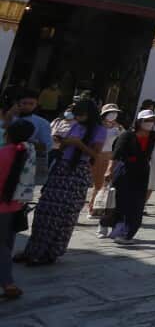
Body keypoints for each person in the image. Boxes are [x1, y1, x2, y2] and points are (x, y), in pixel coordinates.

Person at [16, 98, 106, 265]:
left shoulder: (99, 130)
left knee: (63, 215)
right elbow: (62, 146)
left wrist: (78, 144)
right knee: (44, 211)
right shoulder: (75, 125)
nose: (77, 117)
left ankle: (49, 253)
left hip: (78, 171)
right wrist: (62, 142)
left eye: (81, 115)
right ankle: (32, 250)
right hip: (61, 168)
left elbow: (95, 155)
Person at [100, 109, 155, 243]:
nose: (151, 123)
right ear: (139, 122)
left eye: (153, 120)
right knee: (120, 203)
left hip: (142, 173)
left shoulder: (153, 136)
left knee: (137, 204)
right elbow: (116, 154)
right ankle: (106, 224)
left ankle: (126, 234)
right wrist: (109, 170)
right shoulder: (127, 135)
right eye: (148, 120)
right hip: (125, 172)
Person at [0, 120, 35, 300]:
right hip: (16, 206)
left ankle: (8, 283)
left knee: (2, 247)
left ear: (8, 134)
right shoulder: (28, 152)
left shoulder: (3, 153)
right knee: (7, 244)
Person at [88, 104, 124, 217]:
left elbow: (124, 138)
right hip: (98, 155)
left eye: (115, 113)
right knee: (98, 183)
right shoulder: (97, 126)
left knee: (106, 184)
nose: (113, 115)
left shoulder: (117, 127)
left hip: (111, 156)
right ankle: (92, 207)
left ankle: (99, 207)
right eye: (110, 112)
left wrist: (119, 128)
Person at [9, 91, 51, 186]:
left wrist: (28, 144)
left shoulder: (42, 123)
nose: (27, 106)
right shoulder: (9, 118)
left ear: (36, 104)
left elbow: (47, 146)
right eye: (24, 103)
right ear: (18, 103)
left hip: (25, 162)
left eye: (31, 104)